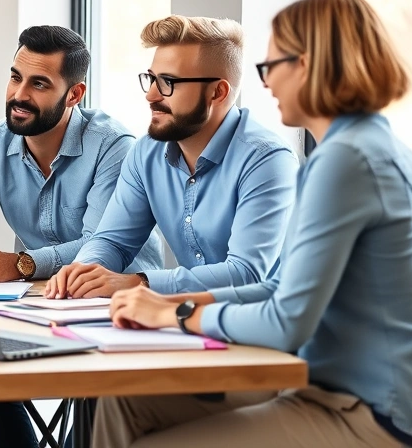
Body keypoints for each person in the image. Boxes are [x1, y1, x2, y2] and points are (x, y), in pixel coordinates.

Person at [95, 0, 412, 448]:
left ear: (308, 65)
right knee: (126, 400)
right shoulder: (354, 148)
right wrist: (165, 305)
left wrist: (178, 312)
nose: (267, 83)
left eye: (272, 67)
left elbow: (287, 320)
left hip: (371, 411)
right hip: (322, 385)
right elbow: (280, 287)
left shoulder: (346, 161)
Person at [0, 24, 161, 448]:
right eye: (15, 76)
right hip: (38, 304)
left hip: (116, 306)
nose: (18, 94)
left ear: (75, 94)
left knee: (100, 394)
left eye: (38, 83)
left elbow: (103, 247)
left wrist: (20, 264)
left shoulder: (113, 146)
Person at [45, 16, 297, 300]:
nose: (151, 95)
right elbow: (113, 241)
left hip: (266, 330)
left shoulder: (267, 160)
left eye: (168, 82)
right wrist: (83, 271)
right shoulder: (146, 153)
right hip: (187, 322)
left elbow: (246, 273)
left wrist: (137, 283)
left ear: (218, 92)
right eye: (151, 79)